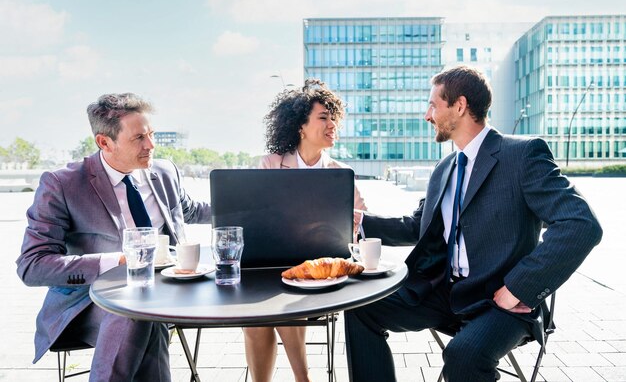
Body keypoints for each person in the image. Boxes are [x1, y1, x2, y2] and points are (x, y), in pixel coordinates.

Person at [345, 66, 603, 382]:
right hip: (445, 294)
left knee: (462, 355)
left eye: (433, 105)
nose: (428, 116)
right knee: (360, 308)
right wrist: (357, 222)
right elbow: (417, 227)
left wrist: (519, 288)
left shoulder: (522, 155)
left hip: (501, 302)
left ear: (460, 105)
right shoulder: (444, 169)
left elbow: (580, 224)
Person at [16, 93, 211, 381]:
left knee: (146, 312)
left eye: (151, 134)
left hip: (171, 290)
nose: (151, 145)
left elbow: (188, 210)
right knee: (138, 311)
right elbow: (33, 266)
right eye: (139, 138)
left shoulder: (163, 171)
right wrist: (121, 261)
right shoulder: (63, 184)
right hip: (93, 302)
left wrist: (250, 209)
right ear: (104, 142)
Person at [244, 79, 367, 382]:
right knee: (255, 320)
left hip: (321, 273)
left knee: (287, 295)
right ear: (301, 125)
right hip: (271, 267)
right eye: (323, 117)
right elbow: (257, 220)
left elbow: (358, 227)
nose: (331, 125)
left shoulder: (340, 174)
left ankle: (304, 379)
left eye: (333, 118)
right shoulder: (271, 165)